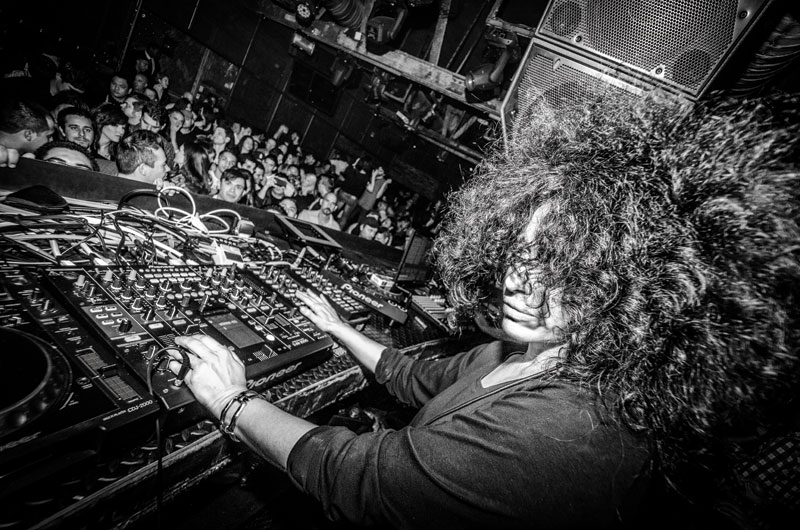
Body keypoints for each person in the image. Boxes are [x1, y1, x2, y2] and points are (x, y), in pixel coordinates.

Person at [167, 93, 800, 529]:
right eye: (520, 251)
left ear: (624, 286)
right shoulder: (539, 352)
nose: (518, 280)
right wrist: (338, 327)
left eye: (556, 266)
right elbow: (413, 375)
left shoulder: (572, 437)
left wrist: (232, 402)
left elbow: (357, 479)